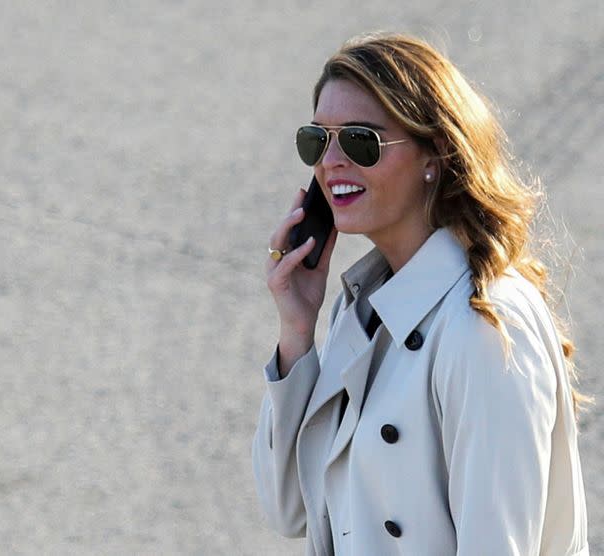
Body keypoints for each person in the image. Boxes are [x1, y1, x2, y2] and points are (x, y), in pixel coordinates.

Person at [252, 33, 589, 555]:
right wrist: (296, 331)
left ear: (435, 153)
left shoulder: (486, 324)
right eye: (316, 140)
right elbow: (290, 506)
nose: (332, 162)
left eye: (361, 140)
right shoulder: (360, 309)